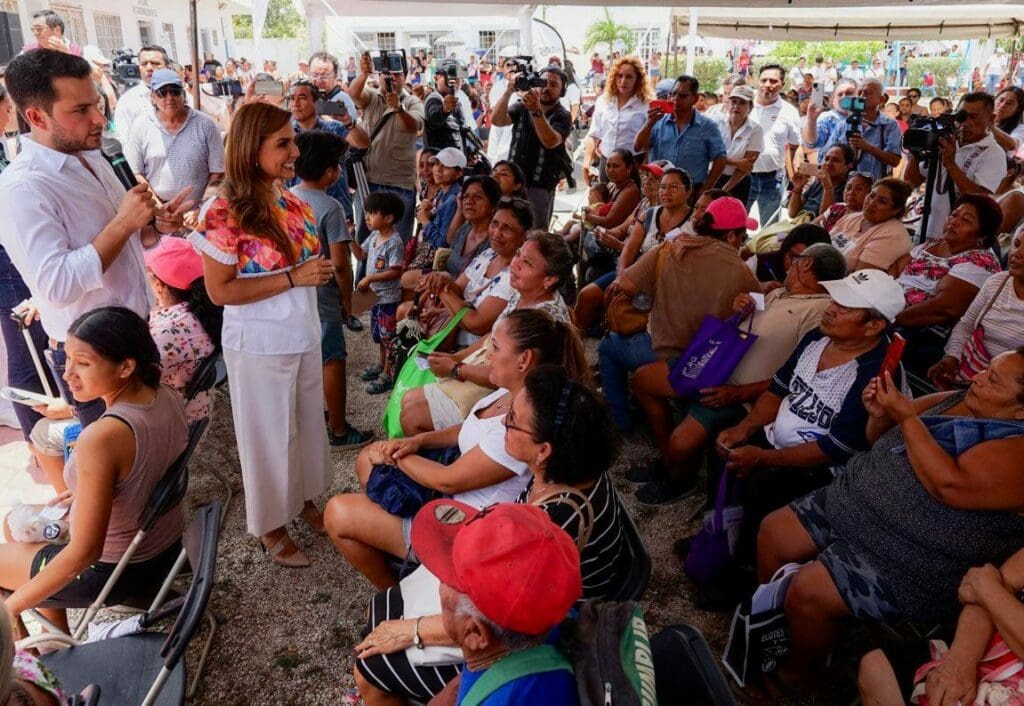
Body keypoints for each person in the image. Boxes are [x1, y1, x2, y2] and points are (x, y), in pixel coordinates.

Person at [352, 366, 624, 705]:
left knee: (368, 670)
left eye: (511, 420)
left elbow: (495, 621)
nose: (501, 424)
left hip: (540, 643)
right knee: (379, 613)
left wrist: (413, 631)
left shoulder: (552, 524)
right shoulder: (569, 472)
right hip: (529, 621)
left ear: (544, 450)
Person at [757, 348, 1024, 692]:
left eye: (993, 380)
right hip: (856, 501)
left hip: (910, 558)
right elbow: (880, 438)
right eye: (987, 369)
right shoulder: (960, 398)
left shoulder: (1017, 450)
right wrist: (880, 414)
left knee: (809, 591)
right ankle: (773, 629)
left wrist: (907, 419)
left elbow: (949, 484)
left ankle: (797, 675)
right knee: (774, 532)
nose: (976, 377)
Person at [324, 308, 589, 589]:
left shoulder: (522, 425)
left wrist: (394, 454)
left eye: (495, 348)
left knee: (337, 511)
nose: (487, 355)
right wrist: (417, 441)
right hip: (450, 497)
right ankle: (402, 553)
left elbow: (447, 478)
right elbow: (467, 427)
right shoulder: (510, 391)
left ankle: (398, 593)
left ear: (524, 360)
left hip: (463, 530)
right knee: (366, 462)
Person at [0, 50, 190, 429]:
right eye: (81, 110)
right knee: (122, 479)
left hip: (136, 333)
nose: (100, 119)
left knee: (157, 456)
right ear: (36, 117)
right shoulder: (22, 188)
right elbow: (56, 285)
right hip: (94, 360)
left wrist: (153, 228)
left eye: (98, 105)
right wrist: (123, 224)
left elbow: (125, 248)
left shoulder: (95, 154)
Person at [191, 103, 335, 568]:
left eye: (293, 139)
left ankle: (306, 500)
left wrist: (314, 274)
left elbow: (302, 262)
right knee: (268, 437)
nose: (296, 150)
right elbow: (220, 291)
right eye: (284, 143)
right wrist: (296, 279)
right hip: (259, 345)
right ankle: (271, 525)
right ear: (252, 150)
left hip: (302, 332)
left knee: (307, 426)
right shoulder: (222, 209)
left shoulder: (287, 196)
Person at [0, 307, 187, 637]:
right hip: (166, 549)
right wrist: (88, 491)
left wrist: (10, 610)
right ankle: (53, 641)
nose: (68, 374)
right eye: (67, 359)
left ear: (126, 367)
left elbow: (85, 552)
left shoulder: (101, 438)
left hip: (116, 573)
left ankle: (32, 655)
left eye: (83, 363)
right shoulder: (165, 395)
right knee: (16, 528)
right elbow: (141, 472)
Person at [630, 242, 846, 505]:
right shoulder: (778, 293)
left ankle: (679, 481)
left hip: (739, 391)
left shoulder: (818, 311)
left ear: (806, 264)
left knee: (681, 443)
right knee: (643, 379)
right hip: (714, 365)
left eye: (793, 259)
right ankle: (668, 462)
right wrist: (742, 305)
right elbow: (747, 318)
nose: (787, 267)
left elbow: (797, 374)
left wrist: (737, 394)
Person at [716, 269, 906, 564]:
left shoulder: (876, 374)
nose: (831, 308)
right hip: (775, 438)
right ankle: (718, 533)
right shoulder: (817, 336)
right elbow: (778, 390)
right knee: (724, 449)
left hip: (822, 468)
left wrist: (762, 457)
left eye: (845, 307)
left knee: (761, 486)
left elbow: (833, 449)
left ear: (874, 325)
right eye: (834, 300)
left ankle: (741, 567)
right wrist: (745, 427)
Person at [599, 196, 761, 433]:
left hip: (661, 354)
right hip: (707, 361)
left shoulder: (669, 249)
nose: (742, 242)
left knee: (608, 346)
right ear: (730, 236)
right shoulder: (742, 271)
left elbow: (627, 284)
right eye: (742, 236)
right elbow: (757, 308)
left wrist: (656, 292)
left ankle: (621, 421)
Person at [400, 231, 574, 434]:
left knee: (412, 415)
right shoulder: (524, 294)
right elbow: (492, 336)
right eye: (518, 254)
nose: (515, 264)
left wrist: (457, 369)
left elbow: (511, 377)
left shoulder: (541, 319)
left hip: (510, 397)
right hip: (490, 372)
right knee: (409, 399)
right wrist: (456, 356)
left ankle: (451, 458)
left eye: (527, 262)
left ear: (550, 279)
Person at [858, 547, 1024, 706]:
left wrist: (987, 588)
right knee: (876, 670)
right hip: (998, 647)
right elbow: (989, 584)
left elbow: (983, 583)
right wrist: (960, 663)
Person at [291, 130, 373, 448]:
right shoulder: (332, 207)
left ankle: (309, 423)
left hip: (293, 293)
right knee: (333, 359)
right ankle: (338, 429)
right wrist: (347, 300)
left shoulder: (286, 199)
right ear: (330, 172)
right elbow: (341, 264)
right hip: (323, 296)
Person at [895, 194, 1003, 374]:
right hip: (889, 311)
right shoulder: (933, 244)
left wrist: (889, 318)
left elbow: (943, 309)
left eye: (966, 220)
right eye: (954, 215)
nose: (954, 221)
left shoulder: (981, 261)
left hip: (918, 333)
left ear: (982, 234)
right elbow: (895, 268)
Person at [905, 92, 1007, 241]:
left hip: (958, 239)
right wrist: (916, 150)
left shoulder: (994, 153)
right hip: (926, 229)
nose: (966, 123)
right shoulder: (947, 141)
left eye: (973, 117)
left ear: (991, 119)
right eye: (962, 116)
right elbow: (910, 182)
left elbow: (977, 198)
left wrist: (950, 164)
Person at [929, 233, 1024, 389]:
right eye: (1017, 244)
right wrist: (952, 357)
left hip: (1008, 391)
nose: (1016, 253)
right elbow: (966, 325)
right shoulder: (997, 282)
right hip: (969, 373)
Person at [348, 52, 425, 242]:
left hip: (399, 184)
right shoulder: (372, 97)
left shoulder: (412, 102)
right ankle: (364, 274)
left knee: (397, 242)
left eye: (397, 74)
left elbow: (414, 126)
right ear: (379, 77)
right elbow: (354, 94)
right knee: (365, 241)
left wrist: (399, 109)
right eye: (386, 74)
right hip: (368, 180)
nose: (392, 78)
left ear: (405, 77)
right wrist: (364, 74)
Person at [143, 237, 220, 423]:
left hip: (162, 425)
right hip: (191, 414)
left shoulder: (165, 332)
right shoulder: (210, 309)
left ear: (159, 286)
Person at [124, 68, 224, 205]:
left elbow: (218, 172)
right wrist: (159, 208)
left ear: (183, 94)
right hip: (157, 212)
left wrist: (203, 208)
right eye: (162, 92)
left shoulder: (206, 125)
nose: (169, 97)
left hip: (196, 213)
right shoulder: (141, 126)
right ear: (153, 97)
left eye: (175, 91)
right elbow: (136, 173)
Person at [491, 66, 573, 229]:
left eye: (554, 84)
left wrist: (536, 112)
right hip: (512, 184)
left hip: (540, 186)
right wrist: (509, 91)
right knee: (505, 228)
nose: (547, 87)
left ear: (562, 92)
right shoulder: (522, 106)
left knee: (535, 234)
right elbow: (497, 120)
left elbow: (550, 141)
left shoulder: (563, 115)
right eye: (543, 82)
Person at [286, 79, 370, 226]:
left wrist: (348, 121)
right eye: (292, 98)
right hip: (299, 212)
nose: (295, 103)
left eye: (302, 98)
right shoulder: (286, 134)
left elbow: (363, 144)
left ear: (317, 103)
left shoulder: (334, 128)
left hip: (338, 208)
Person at [634, 74, 726, 198]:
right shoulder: (657, 122)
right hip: (657, 188)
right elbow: (638, 147)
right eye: (673, 94)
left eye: (683, 95)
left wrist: (706, 188)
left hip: (690, 192)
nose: (675, 99)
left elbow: (720, 159)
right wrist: (649, 123)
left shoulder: (707, 126)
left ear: (695, 98)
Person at [350, 192, 406, 395]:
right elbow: (361, 254)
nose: (367, 218)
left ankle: (388, 374)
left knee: (388, 337)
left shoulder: (394, 242)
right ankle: (381, 365)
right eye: (366, 214)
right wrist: (349, 237)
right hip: (374, 298)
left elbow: (396, 270)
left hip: (388, 299)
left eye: (372, 214)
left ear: (389, 218)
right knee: (379, 337)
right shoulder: (374, 235)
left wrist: (371, 278)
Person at [807, 79, 901, 181]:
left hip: (874, 188)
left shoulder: (890, 125)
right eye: (859, 92)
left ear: (881, 100)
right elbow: (825, 156)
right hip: (844, 189)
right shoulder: (844, 125)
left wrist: (868, 147)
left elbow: (895, 161)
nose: (862, 96)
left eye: (867, 93)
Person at [583, 56, 652, 186]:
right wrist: (586, 164)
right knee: (604, 204)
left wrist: (643, 168)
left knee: (630, 205)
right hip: (606, 163)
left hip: (633, 165)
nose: (623, 81)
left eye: (629, 77)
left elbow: (651, 142)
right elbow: (594, 134)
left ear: (638, 79)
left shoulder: (646, 104)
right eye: (619, 76)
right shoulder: (603, 100)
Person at [748, 64, 802, 226]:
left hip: (773, 179)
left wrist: (794, 176)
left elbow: (795, 146)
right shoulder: (744, 105)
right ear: (758, 81)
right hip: (743, 176)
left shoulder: (789, 112)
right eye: (764, 80)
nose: (768, 85)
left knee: (769, 229)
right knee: (734, 224)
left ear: (782, 84)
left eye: (773, 81)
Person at [828, 177, 913, 274]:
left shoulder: (892, 235)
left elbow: (858, 278)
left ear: (896, 210)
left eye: (882, 201)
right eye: (872, 196)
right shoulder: (851, 218)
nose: (871, 203)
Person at [713, 84, 763, 205]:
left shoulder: (755, 130)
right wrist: (736, 162)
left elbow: (745, 167)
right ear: (727, 104)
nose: (736, 106)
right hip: (712, 177)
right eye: (733, 102)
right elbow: (706, 155)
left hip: (738, 182)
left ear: (750, 107)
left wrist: (724, 190)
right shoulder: (715, 123)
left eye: (742, 103)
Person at [113, 45, 172, 142]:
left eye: (155, 63)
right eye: (144, 63)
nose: (149, 68)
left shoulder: (182, 96)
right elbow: (123, 140)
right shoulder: (127, 101)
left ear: (168, 68)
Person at [788, 145, 855, 219]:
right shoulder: (818, 184)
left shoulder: (848, 191)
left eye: (835, 160)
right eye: (826, 159)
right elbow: (792, 214)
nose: (828, 163)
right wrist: (798, 188)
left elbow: (826, 221)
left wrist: (828, 188)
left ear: (849, 165)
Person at [417, 147, 465, 249]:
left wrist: (425, 221)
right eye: (437, 164)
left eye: (446, 167)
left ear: (458, 173)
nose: (438, 169)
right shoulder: (442, 195)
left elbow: (441, 244)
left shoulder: (453, 201)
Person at [802, 78, 857, 156]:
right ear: (833, 100)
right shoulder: (828, 118)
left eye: (849, 93)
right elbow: (812, 143)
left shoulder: (865, 118)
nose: (844, 97)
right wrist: (811, 120)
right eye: (840, 94)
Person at [993, 86, 1024, 156]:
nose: (1002, 105)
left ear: (1017, 110)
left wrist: (989, 125)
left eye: (1009, 103)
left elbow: (1013, 145)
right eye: (1001, 100)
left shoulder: (1020, 128)